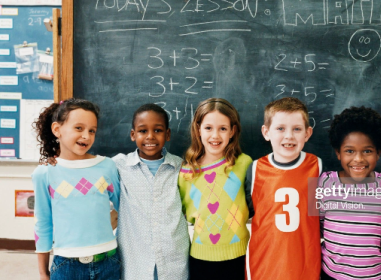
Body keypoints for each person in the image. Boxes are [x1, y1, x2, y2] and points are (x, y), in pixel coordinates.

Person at [32, 98, 121, 280]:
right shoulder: (45, 173)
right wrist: (42, 272)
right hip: (66, 265)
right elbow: (43, 223)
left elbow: (124, 208)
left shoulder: (107, 166)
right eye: (78, 128)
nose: (86, 136)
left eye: (92, 131)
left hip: (108, 261)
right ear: (57, 130)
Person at [245, 97, 322, 280]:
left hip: (305, 264)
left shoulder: (317, 166)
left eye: (297, 129)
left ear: (307, 133)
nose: (289, 136)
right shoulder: (255, 169)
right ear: (266, 132)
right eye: (280, 128)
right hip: (264, 264)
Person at [113, 104, 190, 280]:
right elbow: (89, 168)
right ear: (133, 135)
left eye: (157, 130)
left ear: (168, 134)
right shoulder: (119, 166)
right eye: (142, 131)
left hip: (174, 263)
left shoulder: (181, 167)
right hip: (135, 264)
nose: (150, 136)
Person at [178, 98, 252, 280]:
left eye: (223, 129)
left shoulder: (244, 164)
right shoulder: (187, 172)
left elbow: (252, 206)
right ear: (198, 129)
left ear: (232, 131)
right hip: (200, 258)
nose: (215, 136)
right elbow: (186, 212)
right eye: (208, 128)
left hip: (239, 255)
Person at [318, 107, 381, 280]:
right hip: (331, 275)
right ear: (338, 153)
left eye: (367, 151)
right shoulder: (325, 184)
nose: (358, 159)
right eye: (349, 151)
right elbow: (319, 226)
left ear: (378, 153)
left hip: (373, 276)